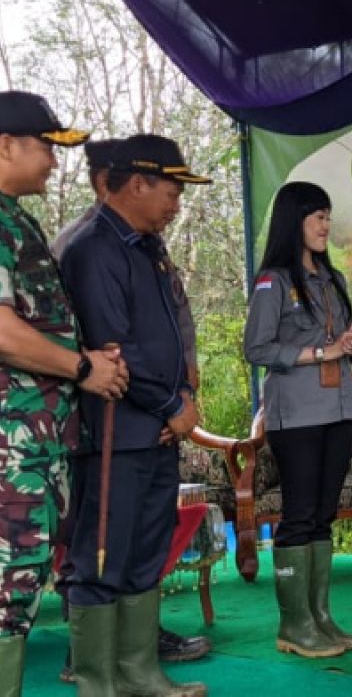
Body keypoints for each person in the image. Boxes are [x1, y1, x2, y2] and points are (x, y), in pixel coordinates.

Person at [54, 138, 212, 678]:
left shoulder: (148, 246)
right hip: (113, 432)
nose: (177, 205)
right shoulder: (93, 247)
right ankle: (99, 681)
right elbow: (112, 345)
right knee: (102, 559)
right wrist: (171, 404)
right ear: (138, 183)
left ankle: (142, 673)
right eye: (171, 192)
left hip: (155, 429)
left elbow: (171, 336)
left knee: (147, 553)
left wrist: (182, 402)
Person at [0, 91, 127, 696]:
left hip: (35, 442)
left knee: (20, 588)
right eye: (46, 146)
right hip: (10, 446)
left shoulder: (15, 216)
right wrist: (82, 367)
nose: (54, 161)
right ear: (6, 145)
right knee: (5, 590)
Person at [243, 181, 352, 657]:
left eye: (328, 217)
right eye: (318, 217)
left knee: (323, 514)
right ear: (294, 220)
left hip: (339, 408)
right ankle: (294, 626)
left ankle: (320, 618)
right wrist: (321, 351)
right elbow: (255, 348)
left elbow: (335, 341)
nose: (325, 226)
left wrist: (349, 343)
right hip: (296, 412)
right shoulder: (274, 279)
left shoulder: (330, 277)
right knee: (298, 516)